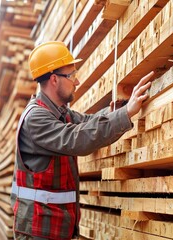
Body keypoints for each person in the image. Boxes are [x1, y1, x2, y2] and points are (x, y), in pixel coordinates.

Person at [10, 41, 154, 239]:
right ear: (54, 79)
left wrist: (120, 109)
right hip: (38, 229)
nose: (76, 82)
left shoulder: (59, 113)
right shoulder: (36, 118)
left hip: (56, 225)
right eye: (72, 76)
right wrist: (126, 114)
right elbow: (77, 139)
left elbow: (87, 121)